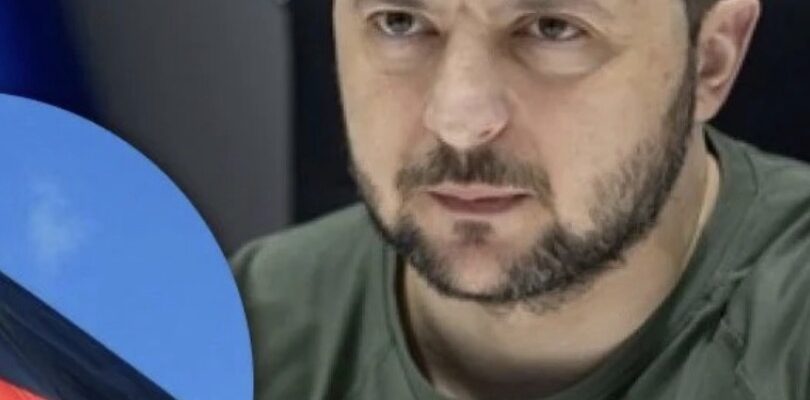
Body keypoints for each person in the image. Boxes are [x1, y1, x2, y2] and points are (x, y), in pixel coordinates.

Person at [231, 0, 810, 398]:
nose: (459, 122)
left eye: (553, 27)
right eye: (400, 22)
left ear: (711, 59)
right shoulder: (238, 330)